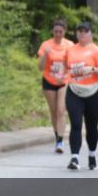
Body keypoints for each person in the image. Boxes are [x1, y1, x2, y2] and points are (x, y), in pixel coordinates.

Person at [63, 21, 98, 171]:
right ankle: (74, 157)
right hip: (74, 91)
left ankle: (92, 154)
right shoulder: (70, 50)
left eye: (85, 31)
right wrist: (65, 76)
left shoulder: (96, 50)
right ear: (76, 34)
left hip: (92, 93)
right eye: (79, 31)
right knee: (75, 124)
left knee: (92, 127)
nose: (82, 33)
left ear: (90, 34)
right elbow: (65, 68)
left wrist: (93, 69)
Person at [38, 19, 73, 153]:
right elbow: (40, 67)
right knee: (53, 112)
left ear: (64, 32)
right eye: (56, 31)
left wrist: (64, 74)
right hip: (48, 80)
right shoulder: (46, 45)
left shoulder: (70, 45)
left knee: (61, 110)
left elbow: (73, 64)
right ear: (52, 31)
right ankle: (57, 136)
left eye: (60, 31)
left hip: (63, 81)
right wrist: (45, 55)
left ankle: (60, 141)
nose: (58, 34)